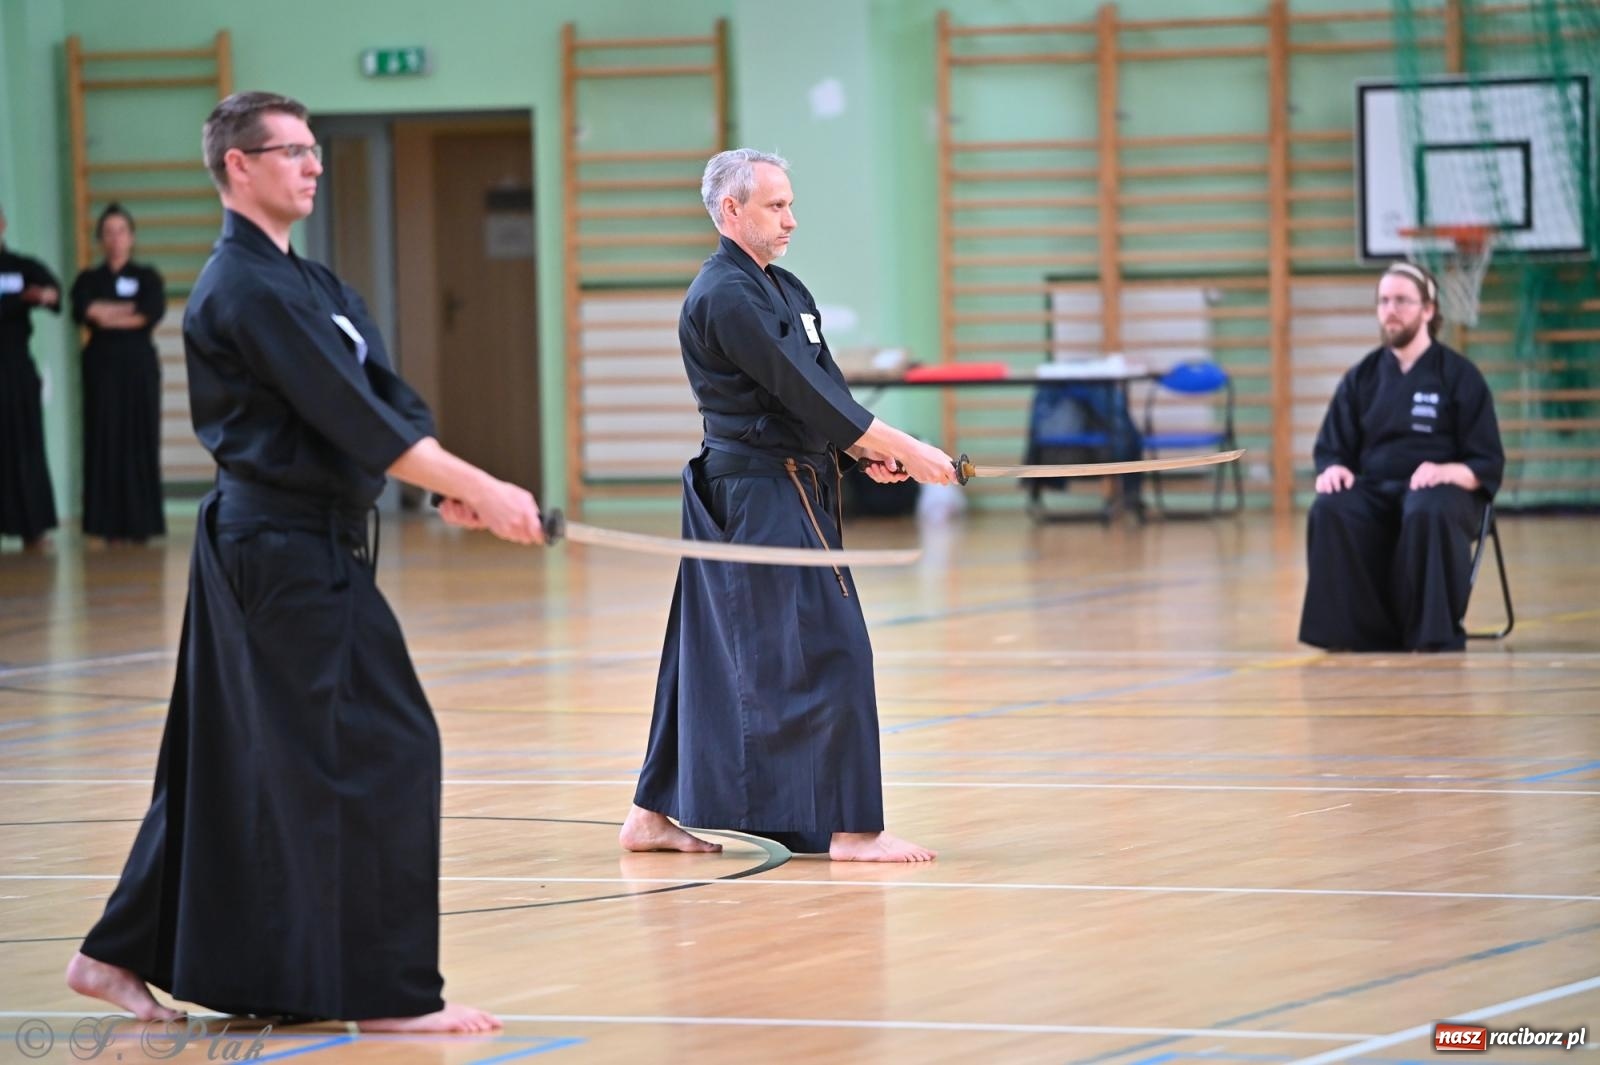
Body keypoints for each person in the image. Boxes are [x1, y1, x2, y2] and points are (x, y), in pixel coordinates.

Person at [65, 91, 543, 1033]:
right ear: (238, 167)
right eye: (292, 151)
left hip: (307, 543)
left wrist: (438, 479)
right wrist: (483, 485)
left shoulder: (316, 286)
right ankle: (385, 993)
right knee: (387, 748)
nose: (313, 166)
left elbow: (385, 402)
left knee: (233, 757)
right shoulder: (239, 289)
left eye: (317, 149)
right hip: (274, 551)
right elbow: (351, 418)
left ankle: (112, 952)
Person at [618, 148, 954, 863]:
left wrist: (866, 449)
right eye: (775, 206)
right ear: (730, 211)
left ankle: (650, 813)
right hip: (752, 496)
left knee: (705, 651)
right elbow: (802, 394)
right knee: (835, 648)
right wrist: (910, 446)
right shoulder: (723, 296)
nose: (791, 219)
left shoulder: (784, 289)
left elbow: (823, 389)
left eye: (791, 203)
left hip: (793, 482)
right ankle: (853, 828)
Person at [1299, 262, 1504, 652]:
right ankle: (1360, 634)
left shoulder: (1459, 376)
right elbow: (1333, 448)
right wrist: (1333, 469)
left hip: (1446, 494)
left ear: (1428, 310)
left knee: (1427, 508)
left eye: (1402, 301)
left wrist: (1448, 471)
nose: (1390, 310)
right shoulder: (1362, 377)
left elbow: (1487, 461)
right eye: (1383, 301)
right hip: (1377, 489)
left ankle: (1431, 633)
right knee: (1330, 509)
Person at [72, 203, 167, 543]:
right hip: (101, 368)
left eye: (121, 231)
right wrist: (124, 310)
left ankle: (142, 524)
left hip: (139, 367)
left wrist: (108, 312)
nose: (115, 239)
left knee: (141, 438)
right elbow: (86, 312)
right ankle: (106, 525)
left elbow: (148, 313)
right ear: (101, 239)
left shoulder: (147, 277)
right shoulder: (88, 279)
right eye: (108, 232)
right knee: (105, 438)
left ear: (132, 237)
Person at [0, 202, 62, 549]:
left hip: (16, 366)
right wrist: (17, 301)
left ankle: (33, 528)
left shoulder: (21, 266)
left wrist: (44, 294)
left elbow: (52, 291)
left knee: (24, 443)